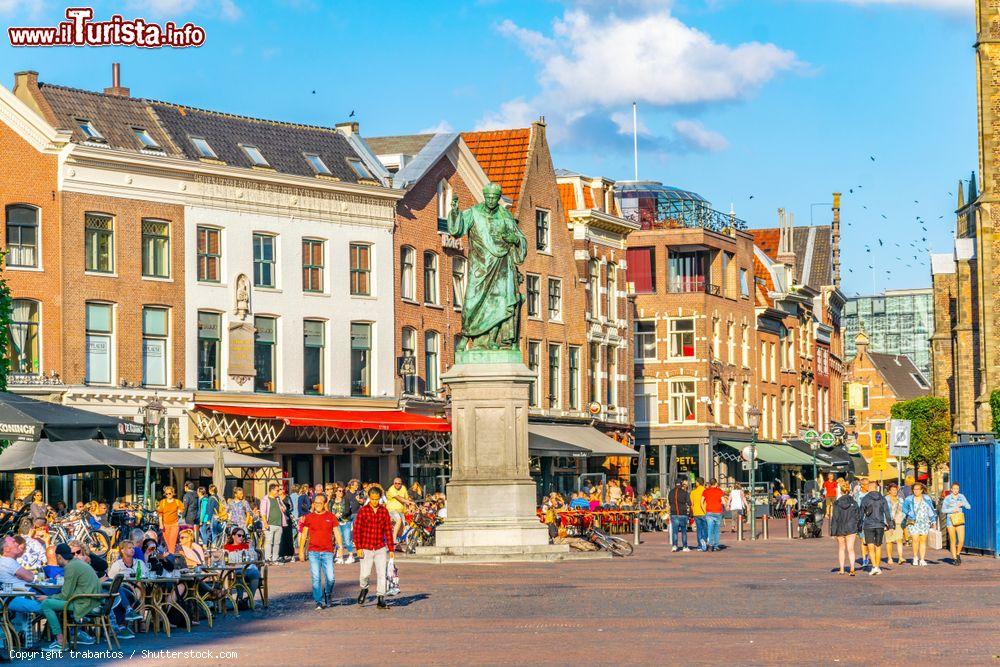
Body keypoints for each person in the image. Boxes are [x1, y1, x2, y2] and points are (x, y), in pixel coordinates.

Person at [39, 543, 102, 652]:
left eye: (56, 558)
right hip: (92, 601)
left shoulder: (70, 567)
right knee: (51, 602)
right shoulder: (77, 563)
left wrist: (48, 597)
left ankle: (60, 641)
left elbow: (65, 596)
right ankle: (65, 638)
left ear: (59, 556)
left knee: (46, 604)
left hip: (84, 603)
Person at [299, 493, 344, 610]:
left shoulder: (331, 517)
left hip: (328, 552)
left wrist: (340, 547)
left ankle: (327, 593)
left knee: (331, 578)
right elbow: (304, 535)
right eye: (315, 503)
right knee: (316, 578)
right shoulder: (309, 517)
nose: (317, 505)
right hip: (313, 552)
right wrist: (301, 551)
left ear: (324, 504)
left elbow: (337, 533)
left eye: (320, 503)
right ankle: (318, 601)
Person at [354, 486, 394, 610]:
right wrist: (358, 547)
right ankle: (364, 589)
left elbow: (388, 530)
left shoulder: (384, 511)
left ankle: (380, 598)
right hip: (366, 547)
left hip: (380, 547)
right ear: (369, 498)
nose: (375, 502)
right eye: (372, 499)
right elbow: (357, 530)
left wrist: (391, 549)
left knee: (381, 574)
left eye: (377, 499)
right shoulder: (363, 511)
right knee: (365, 574)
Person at [0, 535, 44, 642]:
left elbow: (28, 576)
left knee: (55, 600)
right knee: (56, 601)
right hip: (23, 595)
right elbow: (30, 577)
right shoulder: (8, 562)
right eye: (13, 543)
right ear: (6, 549)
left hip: (18, 595)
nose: (17, 544)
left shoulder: (8, 561)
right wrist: (27, 575)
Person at [859, 480, 892, 575]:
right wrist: (890, 524)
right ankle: (877, 566)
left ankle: (874, 566)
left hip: (868, 524)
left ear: (869, 488)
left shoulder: (865, 498)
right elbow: (887, 511)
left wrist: (859, 525)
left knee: (870, 546)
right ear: (876, 488)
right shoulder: (882, 498)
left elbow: (861, 513)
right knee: (878, 546)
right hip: (880, 524)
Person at [830, 480, 861, 575]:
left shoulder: (837, 503)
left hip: (840, 527)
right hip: (851, 527)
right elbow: (858, 516)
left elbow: (835, 518)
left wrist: (833, 531)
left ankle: (842, 569)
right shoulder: (854, 503)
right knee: (851, 549)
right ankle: (852, 569)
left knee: (841, 549)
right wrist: (858, 528)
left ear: (841, 491)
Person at [222, 529, 260, 606]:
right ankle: (240, 598)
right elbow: (225, 560)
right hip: (235, 569)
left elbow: (255, 558)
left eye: (243, 536)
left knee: (255, 572)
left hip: (248, 568)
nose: (241, 537)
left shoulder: (246, 546)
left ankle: (250, 598)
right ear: (233, 536)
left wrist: (251, 547)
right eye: (239, 535)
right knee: (239, 573)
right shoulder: (227, 547)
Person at [901, 482, 935, 566]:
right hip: (913, 522)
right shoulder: (909, 499)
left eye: (917, 489)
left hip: (925, 522)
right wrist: (908, 514)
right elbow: (904, 509)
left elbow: (930, 509)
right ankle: (915, 557)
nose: (915, 491)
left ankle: (922, 559)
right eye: (914, 489)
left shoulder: (926, 498)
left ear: (922, 490)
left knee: (923, 541)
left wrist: (933, 521)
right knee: (915, 540)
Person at [941, 482, 971, 565]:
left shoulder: (961, 497)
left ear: (959, 489)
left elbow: (969, 507)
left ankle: (958, 554)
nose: (955, 490)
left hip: (959, 520)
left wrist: (963, 504)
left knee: (961, 540)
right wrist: (952, 510)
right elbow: (943, 510)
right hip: (950, 520)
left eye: (957, 489)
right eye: (954, 489)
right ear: (951, 489)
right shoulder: (947, 498)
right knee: (953, 540)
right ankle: (955, 558)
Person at [260, 483, 286, 564]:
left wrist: (283, 508)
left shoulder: (278, 499)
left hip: (279, 524)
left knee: (277, 543)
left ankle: (275, 559)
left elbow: (284, 508)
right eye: (277, 490)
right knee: (269, 542)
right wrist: (265, 523)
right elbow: (263, 512)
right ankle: (267, 559)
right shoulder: (265, 499)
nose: (278, 492)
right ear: (271, 490)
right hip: (270, 524)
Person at [156, 486, 184, 555]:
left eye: (169, 493)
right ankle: (169, 556)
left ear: (173, 493)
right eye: (166, 494)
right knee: (167, 542)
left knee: (172, 541)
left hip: (174, 524)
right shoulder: (162, 502)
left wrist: (179, 512)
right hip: (165, 525)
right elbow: (160, 514)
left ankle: (171, 556)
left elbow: (182, 509)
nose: (168, 495)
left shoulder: (177, 502)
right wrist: (161, 524)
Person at [884, 483, 906, 565]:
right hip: (888, 522)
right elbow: (883, 512)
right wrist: (886, 522)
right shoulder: (885, 499)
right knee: (889, 541)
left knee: (899, 539)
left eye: (896, 490)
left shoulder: (900, 499)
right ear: (889, 491)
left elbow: (904, 510)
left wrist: (904, 518)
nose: (894, 491)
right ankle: (890, 558)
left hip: (899, 521)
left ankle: (900, 557)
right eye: (893, 490)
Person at [667, 480, 691, 552]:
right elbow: (689, 503)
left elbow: (670, 502)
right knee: (684, 531)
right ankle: (685, 546)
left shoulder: (671, 492)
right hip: (682, 513)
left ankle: (674, 546)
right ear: (681, 484)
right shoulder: (684, 492)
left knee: (675, 531)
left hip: (674, 513)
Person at [702, 479, 725, 552]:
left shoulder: (706, 491)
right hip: (718, 511)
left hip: (709, 511)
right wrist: (726, 506)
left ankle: (710, 545)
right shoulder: (719, 491)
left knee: (710, 529)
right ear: (716, 483)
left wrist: (704, 510)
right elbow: (723, 501)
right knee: (716, 530)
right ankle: (716, 546)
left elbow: (701, 501)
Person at [689, 478, 708, 552]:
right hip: (704, 512)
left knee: (699, 529)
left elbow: (691, 504)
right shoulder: (706, 491)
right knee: (705, 528)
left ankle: (700, 545)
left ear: (697, 483)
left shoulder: (693, 492)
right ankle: (705, 541)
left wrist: (691, 513)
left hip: (696, 513)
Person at [278, 487, 296, 563]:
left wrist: (286, 510)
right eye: (278, 489)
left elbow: (292, 508)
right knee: (281, 538)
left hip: (287, 519)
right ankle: (282, 555)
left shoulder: (287, 497)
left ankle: (291, 555)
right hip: (279, 520)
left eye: (281, 489)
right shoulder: (277, 498)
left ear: (284, 490)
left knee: (288, 537)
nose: (280, 491)